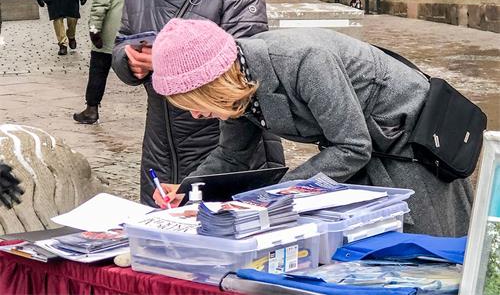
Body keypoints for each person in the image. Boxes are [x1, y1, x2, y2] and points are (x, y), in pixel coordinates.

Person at [150, 18, 474, 238]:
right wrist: (186, 189)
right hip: (367, 145)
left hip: (410, 142)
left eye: (195, 101)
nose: (194, 114)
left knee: (428, 245)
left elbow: (351, 147)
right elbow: (232, 155)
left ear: (216, 83)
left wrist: (275, 194)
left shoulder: (303, 60)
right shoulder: (238, 80)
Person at [112, 0, 283, 206]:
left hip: (225, 138)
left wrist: (167, 62)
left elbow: (246, 69)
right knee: (164, 231)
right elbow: (122, 41)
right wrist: (129, 61)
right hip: (162, 143)